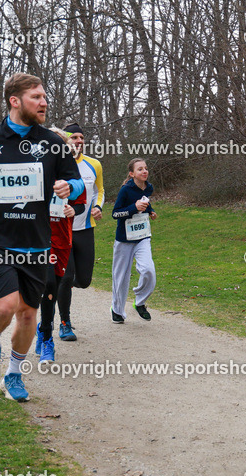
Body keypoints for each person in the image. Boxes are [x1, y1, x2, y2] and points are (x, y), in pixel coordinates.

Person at [0, 72, 83, 402]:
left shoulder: (53, 143)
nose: (44, 102)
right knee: (6, 306)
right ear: (15, 101)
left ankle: (14, 375)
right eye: (36, 97)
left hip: (36, 242)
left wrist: (70, 187)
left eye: (44, 96)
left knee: (27, 314)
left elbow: (77, 181)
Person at [36, 128, 86, 363]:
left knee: (53, 287)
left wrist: (71, 209)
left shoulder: (70, 175)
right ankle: (47, 338)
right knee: (44, 284)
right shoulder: (34, 170)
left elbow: (81, 204)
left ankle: (43, 328)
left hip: (62, 239)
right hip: (37, 237)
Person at [54, 123, 104, 341]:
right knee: (66, 277)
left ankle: (63, 284)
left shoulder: (94, 165)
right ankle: (65, 323)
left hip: (84, 229)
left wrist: (98, 207)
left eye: (81, 137)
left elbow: (99, 190)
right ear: (65, 141)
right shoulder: (55, 165)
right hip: (60, 232)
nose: (78, 140)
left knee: (83, 281)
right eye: (73, 137)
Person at [110, 158, 158, 323]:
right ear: (132, 174)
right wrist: (133, 208)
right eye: (140, 169)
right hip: (124, 239)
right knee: (120, 276)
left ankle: (140, 301)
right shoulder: (125, 190)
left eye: (145, 168)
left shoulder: (148, 187)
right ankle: (117, 311)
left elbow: (145, 201)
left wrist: (150, 211)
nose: (144, 171)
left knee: (148, 270)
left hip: (142, 237)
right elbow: (115, 213)